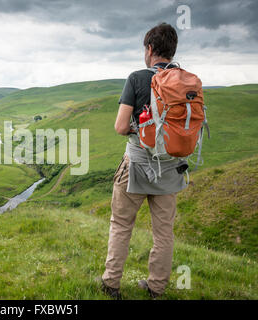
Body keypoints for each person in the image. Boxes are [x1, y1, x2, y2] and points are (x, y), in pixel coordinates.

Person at [100, 23, 188, 300]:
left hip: (136, 165)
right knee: (164, 233)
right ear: (172, 50)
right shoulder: (187, 81)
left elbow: (119, 126)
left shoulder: (137, 78)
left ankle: (111, 284)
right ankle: (156, 288)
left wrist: (141, 130)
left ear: (149, 49)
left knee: (121, 224)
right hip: (171, 168)